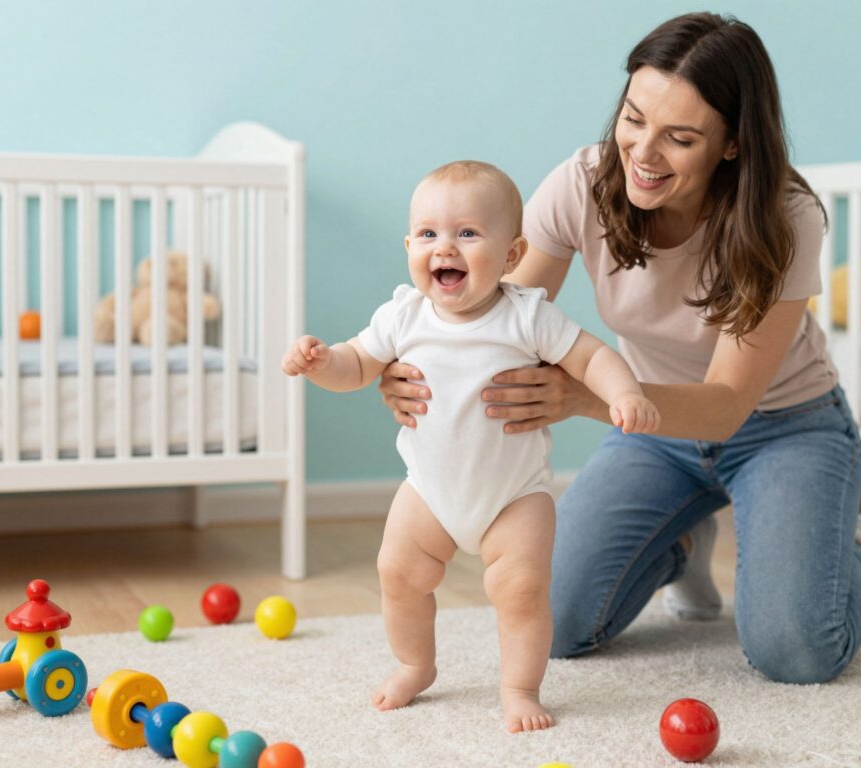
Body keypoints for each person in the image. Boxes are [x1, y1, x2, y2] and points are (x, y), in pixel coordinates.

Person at [378, 13, 861, 685]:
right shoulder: (583, 184)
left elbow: (726, 405)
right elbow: (494, 323)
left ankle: (843, 548)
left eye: (680, 138)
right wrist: (407, 368)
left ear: (732, 144)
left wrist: (581, 396)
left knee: (796, 650)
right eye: (633, 119)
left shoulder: (784, 216)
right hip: (654, 435)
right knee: (558, 622)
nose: (644, 153)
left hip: (784, 428)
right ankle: (681, 542)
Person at [282, 160, 660, 731]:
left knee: (522, 590)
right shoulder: (403, 315)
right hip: (428, 492)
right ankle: (414, 665)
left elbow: (591, 357)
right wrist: (321, 363)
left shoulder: (527, 316)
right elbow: (356, 364)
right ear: (409, 247)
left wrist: (624, 393)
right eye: (428, 233)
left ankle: (520, 688)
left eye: (467, 233)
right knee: (397, 573)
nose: (445, 247)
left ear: (511, 255)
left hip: (514, 496)